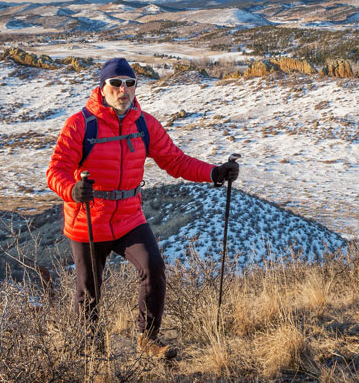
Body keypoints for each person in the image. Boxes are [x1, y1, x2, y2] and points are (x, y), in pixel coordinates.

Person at [47, 57, 239, 359]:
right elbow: (55, 170)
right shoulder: (80, 125)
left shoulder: (144, 124)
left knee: (153, 268)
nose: (124, 89)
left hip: (128, 217)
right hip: (87, 221)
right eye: (116, 83)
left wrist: (214, 173)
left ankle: (148, 340)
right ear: (103, 87)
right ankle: (90, 353)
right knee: (89, 292)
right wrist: (72, 189)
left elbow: (175, 161)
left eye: (130, 83)